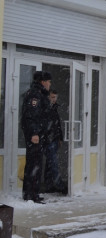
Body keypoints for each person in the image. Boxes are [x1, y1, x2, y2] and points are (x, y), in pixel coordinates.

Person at [21, 71, 52, 204]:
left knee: (35, 164)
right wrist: (34, 133)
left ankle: (32, 193)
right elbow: (31, 115)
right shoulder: (35, 95)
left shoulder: (38, 94)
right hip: (35, 135)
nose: (50, 84)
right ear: (43, 81)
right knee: (34, 164)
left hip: (39, 134)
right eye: (49, 81)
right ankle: (31, 194)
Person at [43, 89, 67, 194]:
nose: (54, 99)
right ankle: (60, 185)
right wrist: (48, 138)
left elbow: (57, 125)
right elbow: (47, 125)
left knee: (50, 163)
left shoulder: (54, 108)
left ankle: (49, 185)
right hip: (49, 140)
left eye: (55, 97)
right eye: (52, 97)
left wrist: (60, 138)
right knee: (53, 164)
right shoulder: (45, 108)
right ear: (48, 97)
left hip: (54, 139)